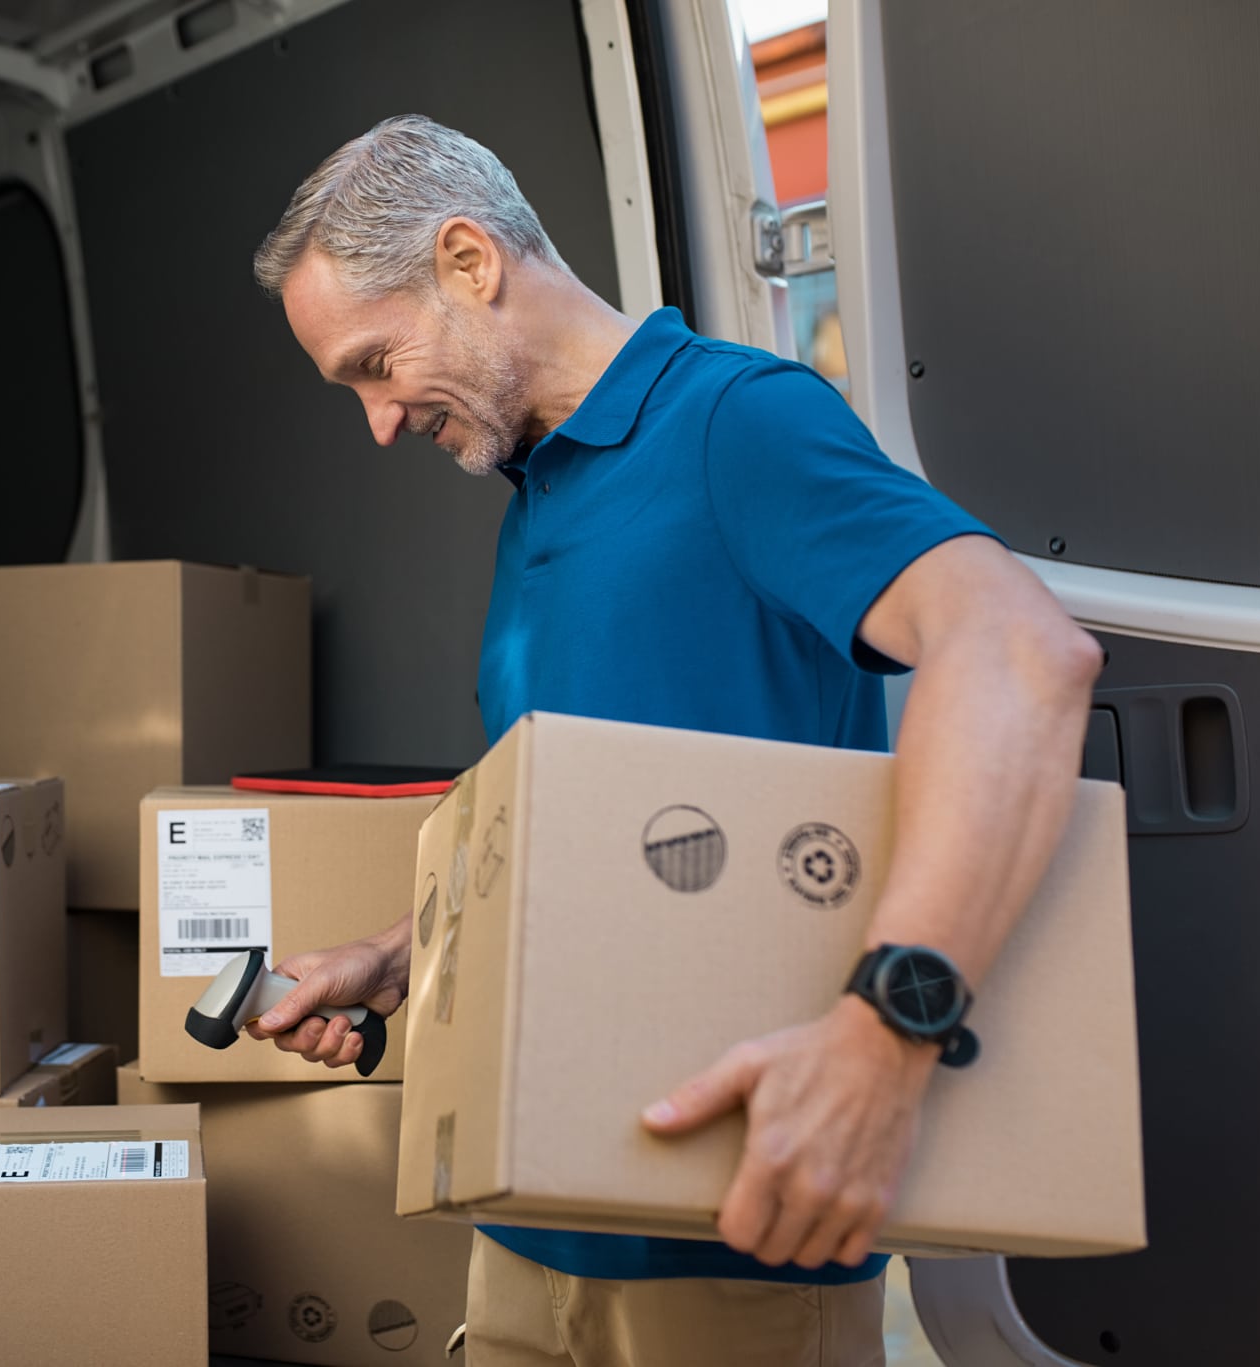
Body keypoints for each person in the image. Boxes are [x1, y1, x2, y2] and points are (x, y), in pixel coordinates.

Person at [243, 115, 1103, 1367]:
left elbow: (1024, 655)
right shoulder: (536, 491)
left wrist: (887, 1030)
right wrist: (397, 955)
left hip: (729, 1242)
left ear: (469, 262)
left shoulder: (734, 424)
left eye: (375, 364)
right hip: (529, 1227)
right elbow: (591, 831)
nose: (377, 422)